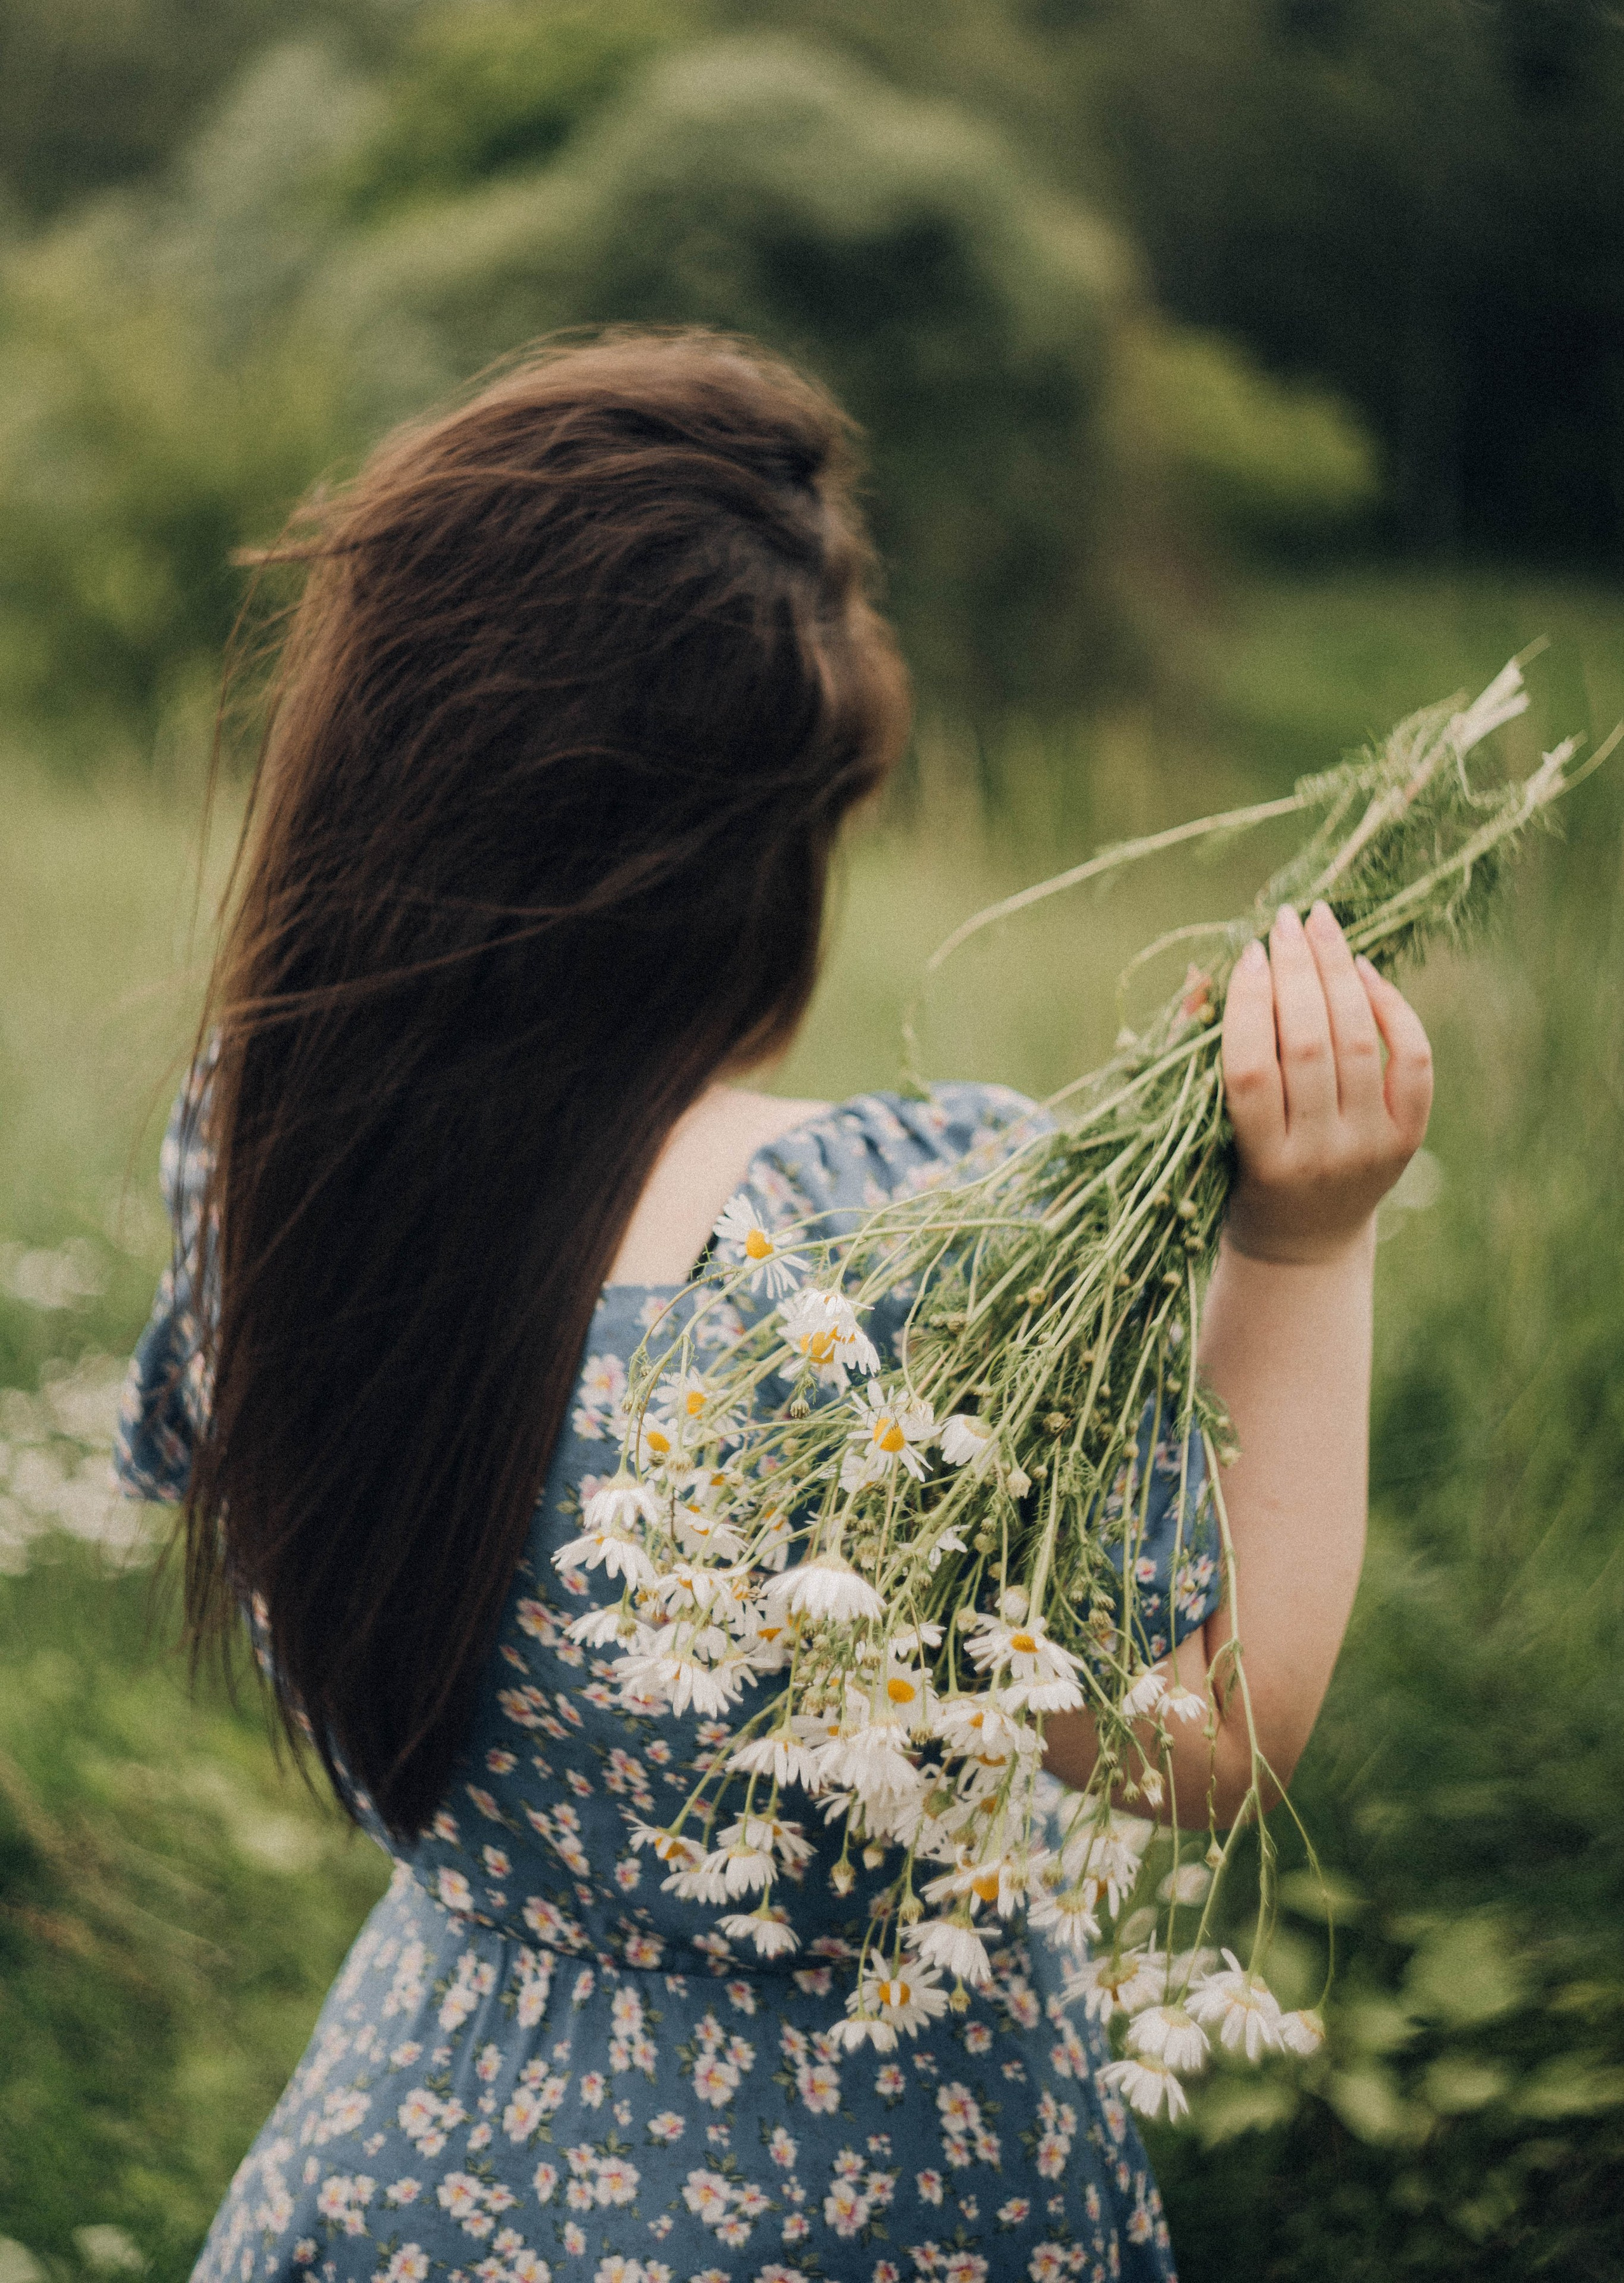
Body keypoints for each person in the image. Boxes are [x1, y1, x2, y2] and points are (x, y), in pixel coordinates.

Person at [115, 330, 1432, 2283]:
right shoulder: (885, 1243)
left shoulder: (274, 1145)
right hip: (870, 2177)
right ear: (757, 851)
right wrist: (1307, 1245)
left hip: (421, 2144)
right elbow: (1204, 1744)